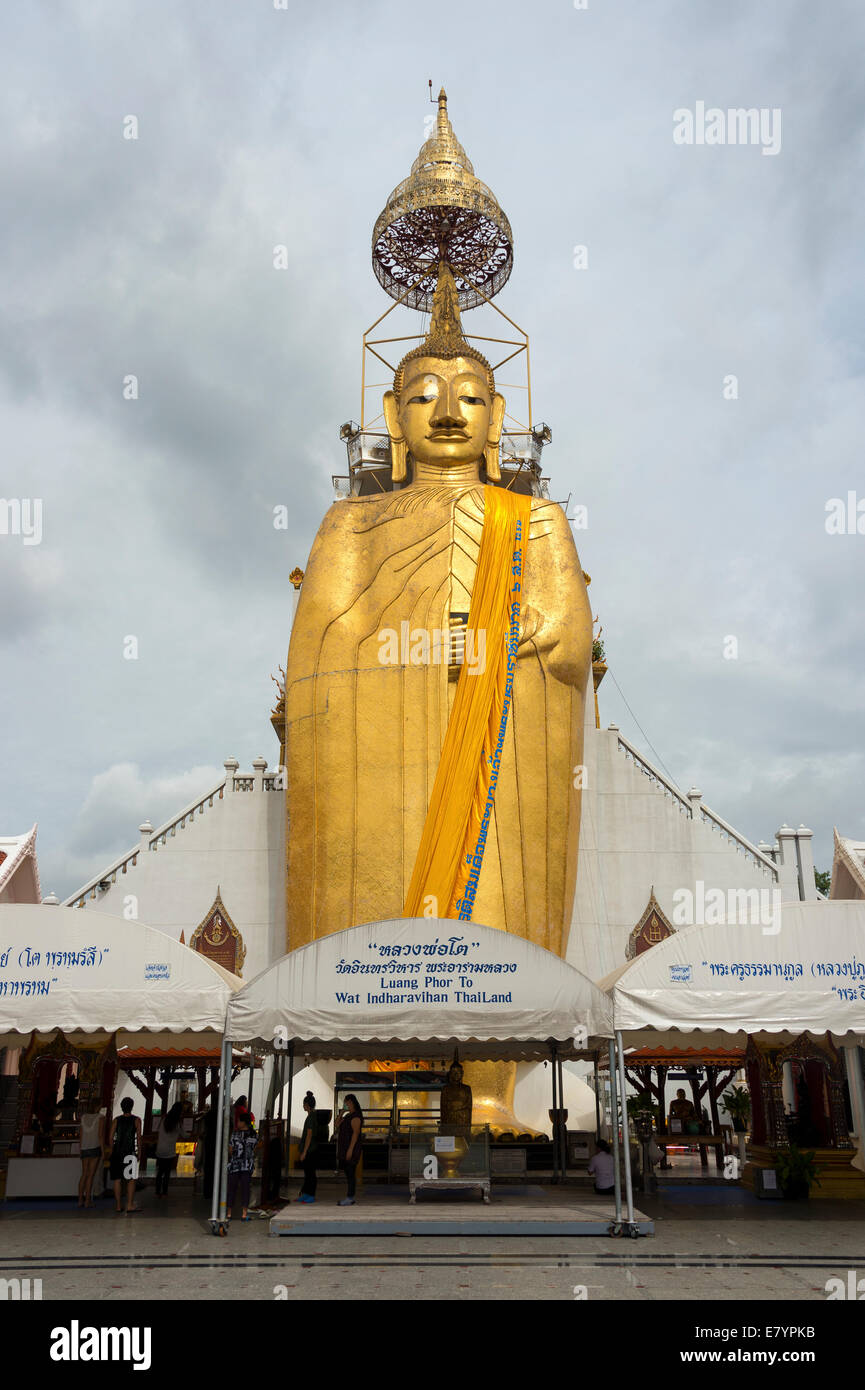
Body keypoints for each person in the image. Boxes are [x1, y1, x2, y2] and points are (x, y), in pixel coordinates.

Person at [109, 1097, 142, 1213]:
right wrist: (139, 1153)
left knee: (117, 1179)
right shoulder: (137, 1120)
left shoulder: (116, 1120)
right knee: (131, 1179)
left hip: (117, 1152)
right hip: (130, 1152)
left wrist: (111, 1150)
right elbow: (138, 1138)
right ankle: (130, 1204)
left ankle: (118, 1205)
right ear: (131, 1107)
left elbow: (111, 1138)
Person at [226, 1112, 259, 1221]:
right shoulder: (254, 1134)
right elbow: (256, 1148)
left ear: (244, 1122)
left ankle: (229, 1213)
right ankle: (244, 1213)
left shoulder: (235, 1134)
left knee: (232, 1188)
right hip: (247, 1165)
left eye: (239, 1121)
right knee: (245, 1189)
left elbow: (230, 1150)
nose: (237, 1123)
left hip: (235, 1165)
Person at [336, 1094, 363, 1207]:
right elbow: (337, 1124)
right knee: (348, 1173)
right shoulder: (348, 1116)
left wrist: (350, 1150)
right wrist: (341, 1112)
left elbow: (355, 1134)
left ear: (351, 1102)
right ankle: (349, 1197)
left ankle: (350, 1197)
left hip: (351, 1150)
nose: (345, 1104)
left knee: (351, 1173)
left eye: (346, 1102)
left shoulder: (356, 1117)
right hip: (345, 1148)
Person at [78, 1104, 105, 1208]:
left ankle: (80, 1199)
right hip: (95, 1147)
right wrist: (103, 1151)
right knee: (91, 1175)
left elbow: (81, 1135)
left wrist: (80, 1149)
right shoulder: (100, 1118)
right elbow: (100, 1135)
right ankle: (87, 1201)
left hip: (84, 1148)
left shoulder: (83, 1117)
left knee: (84, 1174)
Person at [155, 1101, 183, 1199]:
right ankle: (165, 1192)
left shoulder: (164, 1119)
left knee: (160, 1172)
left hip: (160, 1149)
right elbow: (184, 1134)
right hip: (170, 1151)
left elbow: (158, 1130)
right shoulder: (177, 1123)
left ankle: (157, 1192)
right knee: (167, 1173)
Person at [296, 1091, 318, 1204]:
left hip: (310, 1150)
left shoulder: (310, 1118)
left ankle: (311, 1195)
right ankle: (306, 1194)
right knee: (308, 1173)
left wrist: (304, 1152)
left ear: (307, 1105)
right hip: (311, 1149)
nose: (303, 1106)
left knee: (310, 1173)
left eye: (304, 1104)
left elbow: (309, 1135)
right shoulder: (312, 1115)